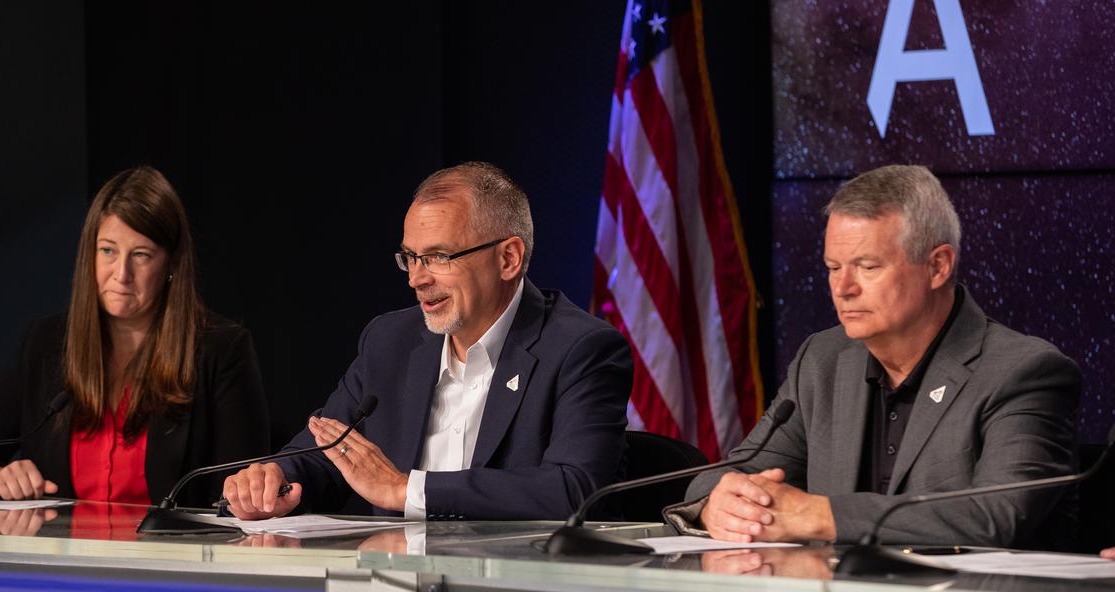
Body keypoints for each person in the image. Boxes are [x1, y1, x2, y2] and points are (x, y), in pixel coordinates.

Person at [680, 165, 1079, 548]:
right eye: (833, 268)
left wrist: (821, 516)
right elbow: (735, 473)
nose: (843, 288)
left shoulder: (1022, 372)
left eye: (867, 267)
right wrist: (718, 504)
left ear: (937, 266)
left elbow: (995, 516)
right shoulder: (823, 360)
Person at [222, 161, 633, 521]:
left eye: (439, 257)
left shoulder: (580, 348)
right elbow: (329, 453)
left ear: (508, 258)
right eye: (411, 258)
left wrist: (406, 490)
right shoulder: (391, 341)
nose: (417, 279)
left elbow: (574, 489)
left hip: (520, 578)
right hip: (398, 578)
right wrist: (273, 480)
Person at [0, 166, 270, 507]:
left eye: (141, 255)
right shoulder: (46, 343)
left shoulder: (220, 350)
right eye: (108, 250)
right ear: (89, 255)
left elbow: (244, 489)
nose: (121, 274)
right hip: (59, 543)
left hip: (172, 543)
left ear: (171, 264)